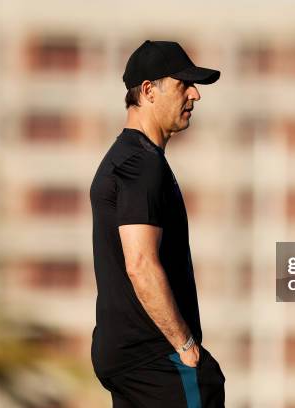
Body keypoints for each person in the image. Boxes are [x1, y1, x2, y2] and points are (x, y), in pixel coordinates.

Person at [89, 40, 225, 407]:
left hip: (131, 355)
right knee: (208, 381)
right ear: (148, 91)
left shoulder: (131, 159)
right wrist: (186, 347)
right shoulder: (141, 164)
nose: (195, 95)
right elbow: (141, 264)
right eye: (183, 85)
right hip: (154, 354)